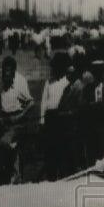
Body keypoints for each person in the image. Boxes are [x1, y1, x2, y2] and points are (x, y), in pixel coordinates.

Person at [39, 52, 72, 180]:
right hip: (49, 117)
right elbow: (43, 101)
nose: (55, 70)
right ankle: (51, 176)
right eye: (54, 67)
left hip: (62, 118)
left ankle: (64, 176)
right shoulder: (49, 82)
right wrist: (42, 121)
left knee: (62, 148)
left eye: (58, 67)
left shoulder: (67, 82)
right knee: (50, 149)